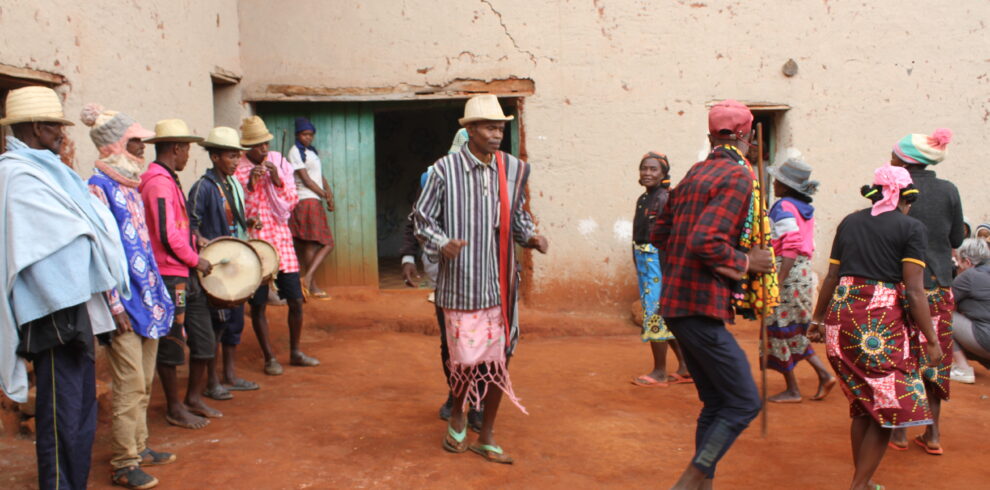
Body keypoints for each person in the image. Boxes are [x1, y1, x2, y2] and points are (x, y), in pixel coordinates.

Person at [0, 86, 130, 489]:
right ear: (37, 127)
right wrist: (93, 228)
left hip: (75, 306)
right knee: (61, 415)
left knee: (81, 412)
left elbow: (87, 223)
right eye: (56, 126)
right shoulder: (17, 176)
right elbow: (56, 237)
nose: (61, 133)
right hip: (51, 310)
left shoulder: (48, 172)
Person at [413, 94, 549, 463]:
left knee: (499, 359)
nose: (497, 134)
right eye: (490, 127)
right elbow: (422, 219)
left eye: (501, 127)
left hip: (500, 284)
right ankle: (458, 412)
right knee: (464, 360)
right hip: (461, 284)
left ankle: (486, 434)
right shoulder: (444, 170)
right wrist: (442, 243)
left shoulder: (511, 168)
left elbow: (517, 216)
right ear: (470, 130)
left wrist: (530, 237)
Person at [650, 99, 774, 489]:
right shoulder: (738, 176)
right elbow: (706, 241)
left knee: (717, 403)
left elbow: (658, 233)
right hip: (699, 307)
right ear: (748, 136)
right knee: (744, 402)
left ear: (710, 136)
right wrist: (746, 261)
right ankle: (688, 482)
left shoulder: (695, 173)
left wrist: (688, 262)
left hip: (677, 304)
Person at [808, 164, 943, 490]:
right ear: (905, 198)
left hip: (841, 318)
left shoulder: (850, 222)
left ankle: (864, 481)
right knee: (889, 406)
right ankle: (859, 485)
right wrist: (932, 338)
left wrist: (817, 319)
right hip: (879, 325)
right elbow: (914, 290)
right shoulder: (912, 228)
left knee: (862, 405)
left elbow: (832, 276)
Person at [82, 104, 176, 488]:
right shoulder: (97, 188)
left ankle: (139, 445)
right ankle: (124, 463)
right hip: (121, 305)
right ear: (116, 144)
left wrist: (157, 293)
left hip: (146, 299)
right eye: (135, 141)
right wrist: (114, 304)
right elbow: (99, 254)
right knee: (129, 383)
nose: (142, 148)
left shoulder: (130, 186)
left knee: (145, 380)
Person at [887, 129, 964, 455]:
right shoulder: (949, 190)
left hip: (901, 286)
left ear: (905, 160)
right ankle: (932, 435)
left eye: (893, 155)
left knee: (900, 356)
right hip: (938, 286)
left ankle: (899, 433)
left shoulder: (895, 188)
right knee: (936, 358)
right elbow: (957, 239)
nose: (890, 159)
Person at [401, 128, 483, 431]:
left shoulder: (491, 180)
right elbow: (416, 220)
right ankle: (455, 394)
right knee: (450, 339)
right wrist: (408, 257)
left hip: (482, 273)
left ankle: (477, 401)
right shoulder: (433, 178)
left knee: (481, 339)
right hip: (443, 271)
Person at [140, 119, 220, 429]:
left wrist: (194, 242)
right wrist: (195, 259)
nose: (188, 155)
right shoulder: (158, 183)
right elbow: (165, 233)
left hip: (184, 272)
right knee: (173, 342)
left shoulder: (168, 180)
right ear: (176, 148)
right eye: (186, 149)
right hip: (171, 276)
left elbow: (177, 229)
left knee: (204, 339)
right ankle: (174, 407)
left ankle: (193, 398)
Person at [235, 116, 319, 375]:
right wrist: (251, 184)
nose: (263, 149)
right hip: (256, 245)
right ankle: (269, 357)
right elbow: (239, 209)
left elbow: (291, 201)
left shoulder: (279, 161)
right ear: (248, 147)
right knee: (259, 304)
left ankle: (295, 351)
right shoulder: (238, 168)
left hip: (282, 241)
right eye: (257, 145)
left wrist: (277, 180)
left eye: (265, 143)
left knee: (295, 300)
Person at [188, 127, 260, 399]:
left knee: (234, 323)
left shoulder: (232, 185)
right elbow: (190, 224)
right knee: (216, 326)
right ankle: (212, 381)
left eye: (237, 156)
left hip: (234, 265)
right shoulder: (203, 187)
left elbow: (234, 219)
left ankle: (230, 375)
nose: (236, 161)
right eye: (231, 156)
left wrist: (247, 222)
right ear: (215, 157)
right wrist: (200, 240)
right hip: (214, 268)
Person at [763, 157, 835, 403]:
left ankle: (794, 389)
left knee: (779, 328)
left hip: (788, 271)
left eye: (778, 181)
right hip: (801, 272)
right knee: (791, 328)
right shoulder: (802, 207)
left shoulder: (783, 206)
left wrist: (778, 279)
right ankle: (821, 375)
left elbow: (791, 243)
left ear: (786, 186)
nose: (774, 184)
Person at [630, 151, 689, 387]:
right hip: (646, 264)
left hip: (659, 264)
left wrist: (667, 272)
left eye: (653, 169)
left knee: (654, 315)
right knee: (662, 316)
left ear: (663, 173)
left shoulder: (664, 198)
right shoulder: (644, 199)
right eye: (644, 168)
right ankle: (686, 367)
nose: (647, 173)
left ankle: (660, 372)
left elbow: (669, 238)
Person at [287, 117, 334, 299]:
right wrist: (324, 195)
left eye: (310, 135)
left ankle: (310, 285)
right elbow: (306, 180)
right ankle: (308, 281)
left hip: (314, 199)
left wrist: (328, 193)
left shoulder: (310, 152)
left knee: (311, 244)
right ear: (297, 135)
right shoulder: (295, 152)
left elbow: (319, 176)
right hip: (305, 200)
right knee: (327, 243)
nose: (308, 137)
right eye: (304, 134)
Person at [948, 238, 990, 382]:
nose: (957, 265)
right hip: (984, 334)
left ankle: (963, 368)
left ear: (967, 262)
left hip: (985, 338)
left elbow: (945, 302)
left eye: (958, 261)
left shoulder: (969, 276)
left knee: (941, 315)